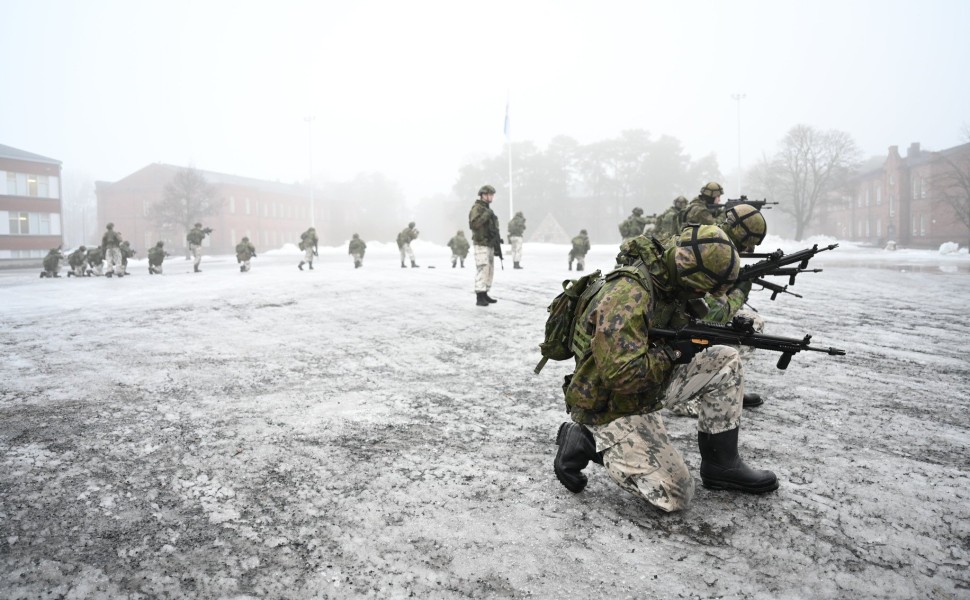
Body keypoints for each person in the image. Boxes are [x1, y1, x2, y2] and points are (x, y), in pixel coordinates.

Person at [553, 224, 777, 513]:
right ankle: (585, 439)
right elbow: (623, 375)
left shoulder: (669, 279)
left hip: (646, 386)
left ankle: (722, 465)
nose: (705, 294)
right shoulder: (627, 295)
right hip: (610, 403)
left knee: (725, 360)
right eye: (705, 287)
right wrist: (675, 352)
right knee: (674, 494)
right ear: (693, 275)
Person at [468, 185, 501, 306]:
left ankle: (485, 293)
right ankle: (479, 296)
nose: (491, 197)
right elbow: (474, 224)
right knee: (482, 268)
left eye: (492, 195)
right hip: (481, 243)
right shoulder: (477, 208)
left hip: (489, 243)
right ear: (483, 195)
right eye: (489, 194)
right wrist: (486, 215)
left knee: (489, 269)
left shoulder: (487, 209)